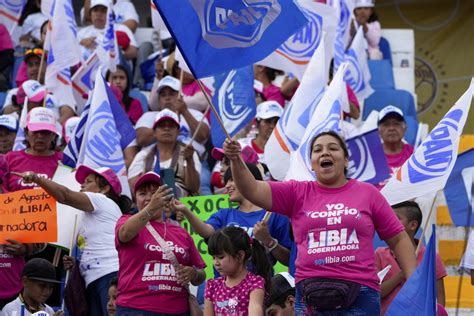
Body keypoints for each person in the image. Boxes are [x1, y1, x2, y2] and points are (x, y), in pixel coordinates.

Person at [223, 130, 417, 314]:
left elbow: (399, 239)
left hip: (361, 294)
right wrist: (235, 159)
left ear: (346, 160)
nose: (325, 152)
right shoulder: (296, 192)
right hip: (310, 296)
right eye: (318, 150)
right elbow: (251, 189)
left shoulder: (368, 193)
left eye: (333, 148)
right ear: (312, 164)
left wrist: (414, 284)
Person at [14, 164, 132, 316]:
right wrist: (77, 264)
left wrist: (37, 179)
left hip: (108, 276)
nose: (82, 184)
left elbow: (64, 195)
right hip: (97, 279)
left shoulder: (101, 200)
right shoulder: (91, 214)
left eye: (89, 181)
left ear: (105, 189)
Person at [176, 162, 291, 275]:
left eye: (232, 179)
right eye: (226, 181)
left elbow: (288, 260)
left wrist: (269, 241)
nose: (226, 186)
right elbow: (206, 231)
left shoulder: (274, 215)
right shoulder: (224, 214)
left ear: (250, 180)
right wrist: (186, 210)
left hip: (260, 289)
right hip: (224, 290)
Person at [115, 171, 206, 315]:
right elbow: (124, 234)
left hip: (177, 310)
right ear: (135, 199)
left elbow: (201, 274)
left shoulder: (180, 232)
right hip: (136, 308)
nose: (149, 198)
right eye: (142, 193)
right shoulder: (126, 220)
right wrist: (151, 207)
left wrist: (193, 273)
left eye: (154, 193)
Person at [375, 201, 447, 314]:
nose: (389, 222)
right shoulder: (379, 254)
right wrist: (402, 274)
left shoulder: (430, 257)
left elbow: (439, 298)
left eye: (395, 218)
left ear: (413, 225)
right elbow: (375, 293)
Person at [129, 109, 201, 197]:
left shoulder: (189, 152)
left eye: (171, 126)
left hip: (182, 206)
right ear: (154, 132)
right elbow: (133, 188)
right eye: (162, 126)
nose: (166, 129)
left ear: (178, 132)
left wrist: (190, 161)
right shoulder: (143, 155)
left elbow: (194, 187)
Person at [204, 226, 271, 315]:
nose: (216, 263)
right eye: (213, 257)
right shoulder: (212, 286)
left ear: (240, 256)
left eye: (220, 257)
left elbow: (255, 309)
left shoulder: (254, 284)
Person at [3, 107, 62, 192]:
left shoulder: (64, 162)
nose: (40, 136)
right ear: (26, 133)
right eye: (35, 131)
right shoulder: (9, 159)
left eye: (45, 132)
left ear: (53, 135)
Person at [377, 105, 414, 183]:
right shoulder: (372, 158)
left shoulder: (414, 154)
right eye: (386, 124)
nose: (391, 128)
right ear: (379, 130)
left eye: (396, 124)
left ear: (405, 128)